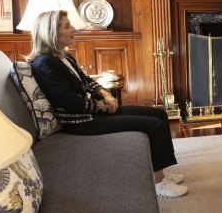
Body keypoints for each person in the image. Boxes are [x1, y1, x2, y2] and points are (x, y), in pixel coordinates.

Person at [27, 10, 188, 198]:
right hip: (80, 123)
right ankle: (158, 184)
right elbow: (70, 103)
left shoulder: (63, 56)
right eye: (67, 26)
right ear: (51, 32)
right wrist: (101, 106)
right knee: (154, 125)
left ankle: (160, 171)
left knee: (159, 114)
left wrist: (106, 94)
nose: (73, 29)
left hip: (92, 113)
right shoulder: (44, 63)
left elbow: (86, 80)